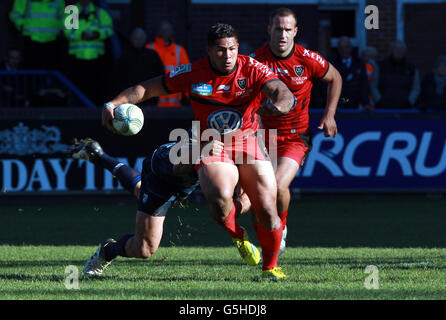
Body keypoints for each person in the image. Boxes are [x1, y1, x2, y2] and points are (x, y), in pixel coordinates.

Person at [102, 23, 296, 279]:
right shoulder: (193, 73)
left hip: (248, 141)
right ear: (208, 50)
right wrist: (114, 103)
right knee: (218, 198)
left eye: (232, 49)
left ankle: (271, 269)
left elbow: (282, 92)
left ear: (238, 48)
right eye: (220, 50)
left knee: (268, 210)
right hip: (209, 142)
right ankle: (237, 235)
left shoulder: (253, 68)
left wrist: (281, 106)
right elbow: (147, 89)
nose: (227, 56)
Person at [249, 7, 342, 254]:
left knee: (278, 187)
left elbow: (336, 78)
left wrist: (329, 114)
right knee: (255, 196)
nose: (282, 34)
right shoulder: (255, 60)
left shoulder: (307, 59)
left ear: (295, 32)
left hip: (295, 137)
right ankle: (266, 241)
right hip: (261, 137)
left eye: (287, 30)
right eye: (278, 28)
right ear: (269, 29)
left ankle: (282, 227)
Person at [73, 138, 223, 276]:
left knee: (141, 190)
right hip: (168, 168)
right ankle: (107, 251)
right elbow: (180, 167)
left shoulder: (240, 134)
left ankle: (98, 155)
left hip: (180, 166)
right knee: (144, 248)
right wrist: (112, 106)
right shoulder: (221, 125)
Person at [63, 0, 114, 105]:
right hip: (76, 58)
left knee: (96, 87)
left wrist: (97, 34)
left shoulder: (100, 12)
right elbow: (66, 31)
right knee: (77, 87)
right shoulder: (71, 12)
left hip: (96, 58)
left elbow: (109, 29)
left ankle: (95, 109)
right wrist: (81, 35)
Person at [113, 28, 165, 105]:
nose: (138, 41)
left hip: (149, 98)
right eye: (136, 38)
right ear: (131, 39)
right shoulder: (124, 56)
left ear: (144, 39)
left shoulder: (152, 55)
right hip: (129, 98)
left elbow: (160, 75)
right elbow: (118, 78)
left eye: (140, 38)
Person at [9, 0, 65, 70]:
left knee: (51, 69)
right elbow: (15, 14)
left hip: (53, 41)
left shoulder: (58, 1)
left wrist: (63, 30)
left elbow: (63, 17)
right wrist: (22, 25)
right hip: (31, 40)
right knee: (31, 68)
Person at [145, 21, 190, 107]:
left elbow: (187, 75)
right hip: (153, 102)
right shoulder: (149, 48)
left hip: (175, 103)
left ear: (172, 32)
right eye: (163, 29)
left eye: (168, 29)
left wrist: (188, 97)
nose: (166, 32)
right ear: (158, 32)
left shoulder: (179, 50)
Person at [374, 40, 420, 109]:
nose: (399, 51)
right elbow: (373, 86)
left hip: (405, 109)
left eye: (401, 49)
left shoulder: (412, 68)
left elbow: (416, 88)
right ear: (391, 50)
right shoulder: (380, 66)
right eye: (396, 48)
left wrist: (410, 102)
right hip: (384, 109)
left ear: (405, 51)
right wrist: (379, 101)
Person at [328, 36, 370, 110]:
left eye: (346, 47)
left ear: (351, 47)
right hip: (337, 105)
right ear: (338, 49)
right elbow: (327, 86)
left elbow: (364, 84)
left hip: (355, 104)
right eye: (342, 47)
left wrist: (365, 103)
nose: (344, 50)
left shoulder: (359, 63)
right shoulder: (332, 64)